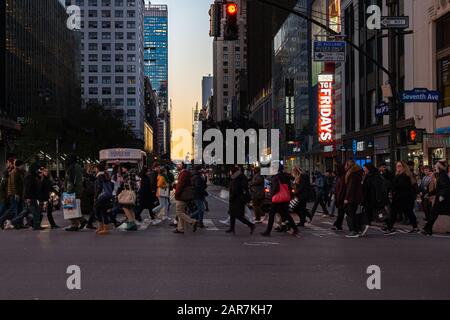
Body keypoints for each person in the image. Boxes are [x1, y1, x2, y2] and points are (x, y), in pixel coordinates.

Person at [261, 165, 298, 237]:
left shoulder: (275, 177)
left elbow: (275, 188)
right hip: (285, 198)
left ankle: (268, 232)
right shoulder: (285, 176)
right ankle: (295, 229)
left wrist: (272, 195)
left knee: (271, 215)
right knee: (286, 214)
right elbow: (290, 185)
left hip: (277, 199)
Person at [384, 161, 419, 235]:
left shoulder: (405, 175)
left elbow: (402, 186)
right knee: (396, 212)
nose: (397, 167)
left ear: (403, 167)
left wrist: (392, 185)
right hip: (399, 197)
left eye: (399, 166)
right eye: (397, 166)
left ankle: (390, 228)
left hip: (404, 197)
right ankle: (390, 227)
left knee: (408, 212)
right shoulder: (398, 175)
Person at [422, 160, 450, 235]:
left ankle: (428, 229)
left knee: (433, 214)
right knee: (433, 214)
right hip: (442, 199)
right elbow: (438, 188)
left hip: (442, 199)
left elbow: (446, 187)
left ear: (439, 167)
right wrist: (429, 193)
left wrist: (442, 196)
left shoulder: (443, 176)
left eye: (436, 167)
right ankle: (427, 228)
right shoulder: (441, 175)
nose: (434, 168)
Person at [226, 166, 255, 235]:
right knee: (232, 214)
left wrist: (231, 198)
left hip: (237, 200)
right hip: (237, 199)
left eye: (231, 171)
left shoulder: (237, 178)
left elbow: (235, 190)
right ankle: (232, 228)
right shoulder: (238, 177)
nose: (230, 173)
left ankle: (251, 225)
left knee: (238, 215)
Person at [64, 155, 88, 232]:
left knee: (70, 208)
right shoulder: (78, 167)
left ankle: (75, 224)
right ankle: (81, 220)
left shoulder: (72, 168)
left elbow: (71, 181)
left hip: (72, 190)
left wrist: (68, 191)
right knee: (75, 207)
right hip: (78, 189)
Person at [173, 162, 198, 234]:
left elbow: (180, 185)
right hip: (184, 196)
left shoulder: (183, 174)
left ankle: (192, 221)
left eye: (178, 165)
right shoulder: (185, 173)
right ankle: (180, 228)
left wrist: (176, 193)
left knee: (179, 212)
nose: (177, 166)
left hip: (181, 196)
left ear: (181, 166)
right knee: (182, 212)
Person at [0, 159, 25, 229]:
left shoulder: (20, 172)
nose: (24, 166)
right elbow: (14, 184)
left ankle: (19, 224)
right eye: (23, 165)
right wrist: (16, 194)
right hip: (13, 194)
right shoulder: (14, 172)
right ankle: (2, 219)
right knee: (13, 209)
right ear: (20, 165)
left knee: (19, 209)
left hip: (17, 193)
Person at [343, 160, 365, 238]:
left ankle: (353, 230)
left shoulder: (352, 174)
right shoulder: (358, 173)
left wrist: (346, 198)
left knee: (349, 213)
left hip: (352, 197)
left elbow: (350, 187)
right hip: (356, 197)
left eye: (345, 165)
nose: (344, 167)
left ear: (349, 165)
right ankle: (357, 228)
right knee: (352, 213)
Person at [22, 164, 44, 230]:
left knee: (32, 210)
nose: (38, 170)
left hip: (32, 196)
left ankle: (35, 224)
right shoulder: (30, 176)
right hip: (31, 196)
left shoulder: (32, 175)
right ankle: (36, 225)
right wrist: (28, 197)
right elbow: (28, 187)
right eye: (37, 169)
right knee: (34, 210)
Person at [93, 162, 114, 235]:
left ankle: (102, 227)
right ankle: (104, 228)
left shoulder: (99, 176)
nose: (95, 169)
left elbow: (99, 187)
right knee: (103, 211)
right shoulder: (105, 175)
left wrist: (96, 196)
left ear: (98, 169)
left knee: (96, 209)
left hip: (102, 196)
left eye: (95, 168)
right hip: (107, 195)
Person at [119, 163, 138, 231]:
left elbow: (129, 183)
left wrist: (123, 181)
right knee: (130, 208)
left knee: (125, 207)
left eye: (123, 168)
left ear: (126, 168)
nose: (122, 169)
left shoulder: (128, 174)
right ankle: (133, 223)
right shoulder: (132, 173)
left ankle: (131, 222)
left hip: (129, 193)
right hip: (132, 193)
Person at [0, 157, 16, 228]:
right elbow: (3, 183)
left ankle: (8, 222)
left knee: (8, 208)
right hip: (6, 193)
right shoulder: (6, 171)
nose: (7, 164)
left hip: (8, 193)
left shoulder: (12, 170)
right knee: (5, 207)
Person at [331, 164, 346, 231]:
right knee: (340, 212)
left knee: (341, 212)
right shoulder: (339, 177)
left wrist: (338, 198)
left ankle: (338, 225)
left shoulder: (342, 177)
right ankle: (337, 224)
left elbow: (341, 189)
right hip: (339, 197)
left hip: (341, 197)